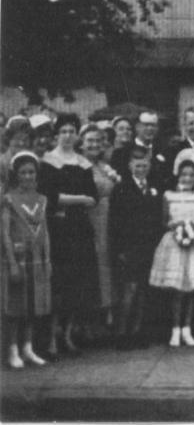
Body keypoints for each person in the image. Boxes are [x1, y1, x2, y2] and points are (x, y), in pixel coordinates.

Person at [39, 114, 99, 358]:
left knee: (77, 284)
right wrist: (80, 199)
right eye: (62, 131)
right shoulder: (47, 162)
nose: (67, 135)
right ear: (57, 135)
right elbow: (50, 197)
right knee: (59, 284)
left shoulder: (83, 163)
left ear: (77, 135)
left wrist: (76, 200)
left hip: (79, 229)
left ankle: (67, 335)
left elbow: (93, 196)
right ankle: (52, 338)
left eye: (71, 131)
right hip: (59, 230)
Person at [149, 159, 194, 347]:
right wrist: (173, 225)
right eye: (184, 174)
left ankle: (187, 329)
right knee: (177, 290)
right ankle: (175, 330)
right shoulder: (169, 196)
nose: (188, 178)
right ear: (178, 175)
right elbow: (163, 221)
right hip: (174, 243)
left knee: (191, 289)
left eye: (192, 175)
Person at [109, 146, 162, 350]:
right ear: (130, 165)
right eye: (137, 165)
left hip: (148, 246)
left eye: (144, 164)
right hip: (129, 247)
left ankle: (137, 331)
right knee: (128, 291)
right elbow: (115, 221)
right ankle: (121, 333)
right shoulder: (121, 188)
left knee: (143, 291)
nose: (141, 168)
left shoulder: (153, 187)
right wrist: (119, 250)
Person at [2, 151, 51, 368]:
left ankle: (28, 347)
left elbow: (45, 231)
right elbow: (4, 232)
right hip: (18, 259)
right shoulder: (9, 199)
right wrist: (11, 261)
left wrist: (48, 259)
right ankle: (13, 349)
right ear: (16, 175)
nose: (28, 176)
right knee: (16, 305)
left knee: (33, 305)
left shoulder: (42, 199)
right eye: (23, 173)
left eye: (31, 172)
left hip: (37, 259)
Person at [80, 124, 121, 332]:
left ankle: (108, 313)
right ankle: (88, 319)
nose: (95, 144)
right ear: (82, 143)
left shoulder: (105, 166)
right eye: (90, 141)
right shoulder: (79, 166)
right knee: (92, 262)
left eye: (98, 140)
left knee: (106, 262)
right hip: (88, 218)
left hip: (108, 219)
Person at [111, 111, 167, 191]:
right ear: (137, 127)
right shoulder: (121, 153)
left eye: (153, 125)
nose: (150, 129)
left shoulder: (163, 150)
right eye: (146, 125)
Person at [1, 116, 33, 191]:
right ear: (9, 139)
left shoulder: (31, 159)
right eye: (17, 138)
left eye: (25, 139)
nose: (21, 143)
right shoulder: (3, 162)